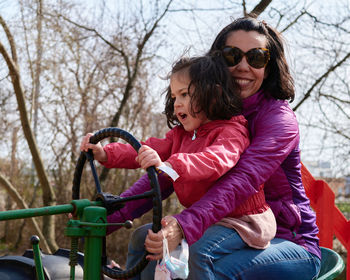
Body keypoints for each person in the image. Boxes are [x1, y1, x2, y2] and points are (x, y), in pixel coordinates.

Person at [132, 16, 321, 280]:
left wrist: (185, 225)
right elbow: (165, 174)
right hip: (228, 232)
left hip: (287, 242)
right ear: (217, 63)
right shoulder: (208, 117)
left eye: (256, 58)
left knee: (200, 265)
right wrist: (110, 213)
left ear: (268, 67)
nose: (243, 66)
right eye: (232, 56)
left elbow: (243, 180)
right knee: (148, 243)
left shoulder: (279, 121)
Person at [80, 54, 276, 278]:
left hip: (242, 223)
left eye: (185, 94)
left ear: (213, 94)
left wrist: (170, 163)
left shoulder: (231, 131)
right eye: (174, 96)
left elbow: (215, 161)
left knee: (199, 251)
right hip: (209, 220)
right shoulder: (180, 136)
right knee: (142, 237)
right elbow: (145, 148)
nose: (177, 103)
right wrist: (105, 153)